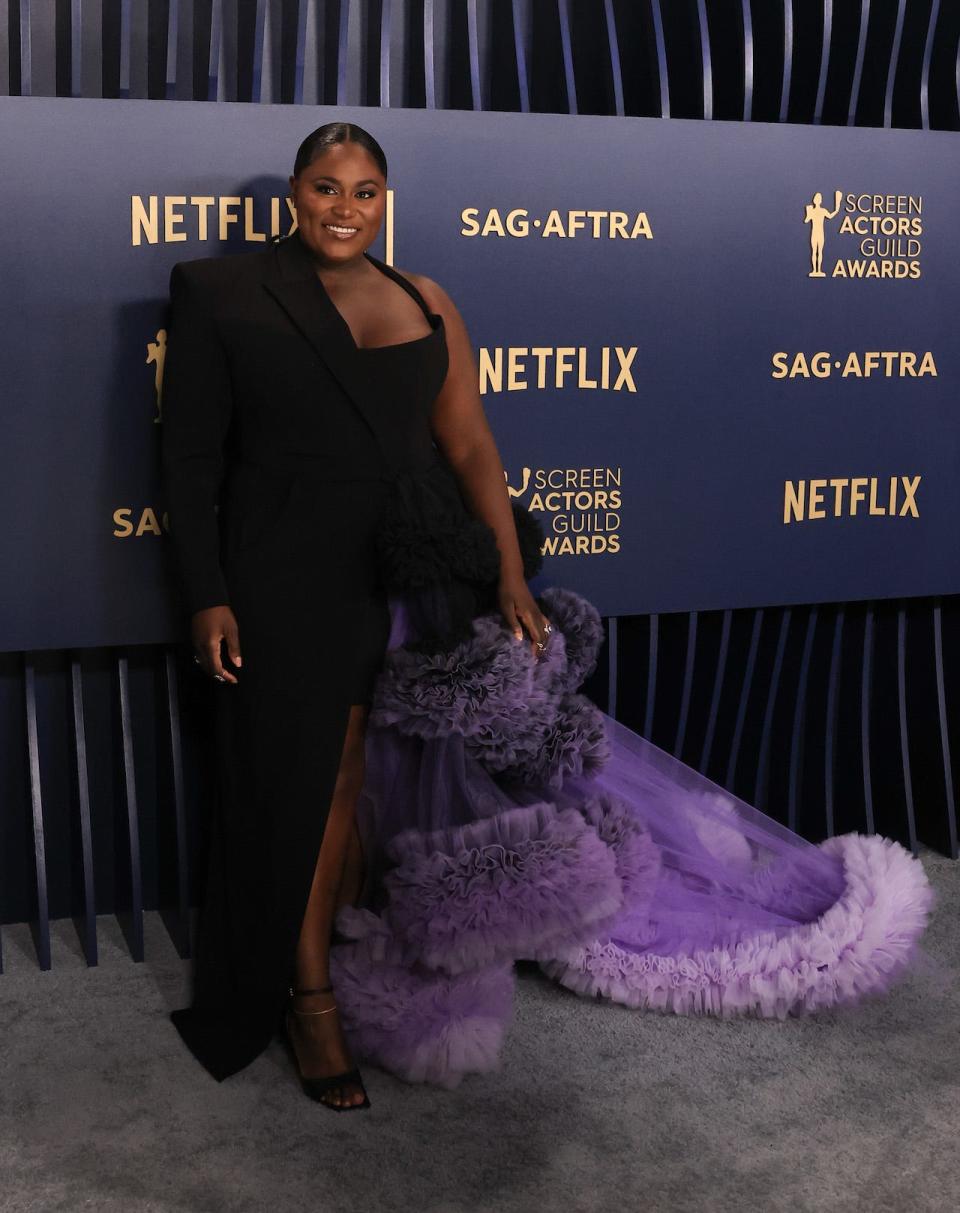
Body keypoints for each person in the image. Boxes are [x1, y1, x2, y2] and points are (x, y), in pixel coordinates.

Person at [162, 123, 934, 1112]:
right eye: (324, 187)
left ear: (385, 200)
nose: (343, 206)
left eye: (363, 189)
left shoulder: (424, 299)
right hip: (284, 575)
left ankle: (348, 967)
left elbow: (473, 445)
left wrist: (512, 577)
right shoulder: (222, 290)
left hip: (411, 575)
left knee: (364, 783)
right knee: (306, 787)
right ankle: (306, 999)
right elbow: (186, 461)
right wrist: (209, 591)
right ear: (296, 196)